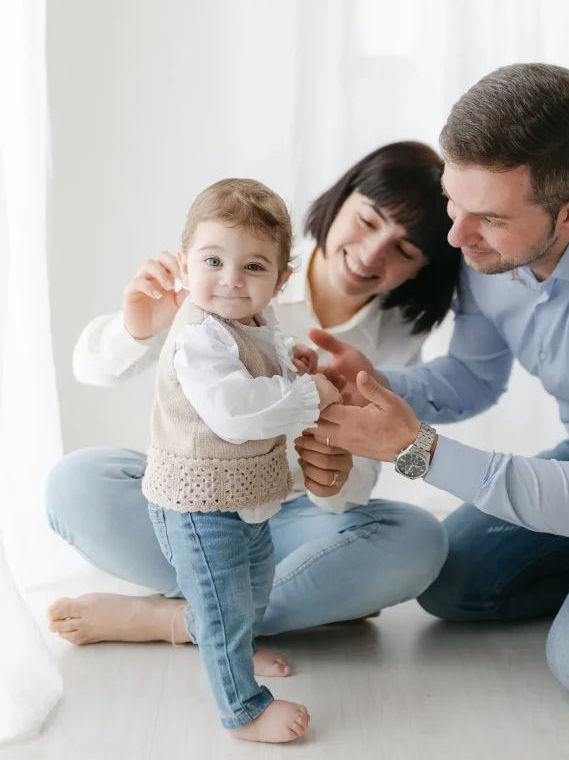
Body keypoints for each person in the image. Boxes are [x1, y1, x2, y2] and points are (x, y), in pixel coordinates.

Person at [312, 63, 569, 712]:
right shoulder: (487, 244)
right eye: (453, 202)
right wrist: (370, 382)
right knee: (448, 581)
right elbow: (472, 377)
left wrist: (415, 449)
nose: (454, 236)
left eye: (484, 217)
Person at [46, 141, 457, 647]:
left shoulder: (398, 337)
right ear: (341, 197)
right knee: (77, 481)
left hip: (289, 521)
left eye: (405, 249)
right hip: (196, 504)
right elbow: (90, 369)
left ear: (421, 269)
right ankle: (278, 603)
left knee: (418, 541)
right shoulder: (236, 259)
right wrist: (137, 328)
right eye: (369, 221)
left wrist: (337, 474)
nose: (372, 253)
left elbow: (357, 484)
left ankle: (176, 620)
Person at [140, 178, 346, 743]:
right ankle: (244, 710)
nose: (231, 280)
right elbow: (236, 412)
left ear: (280, 281)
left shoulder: (255, 321)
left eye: (254, 267)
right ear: (185, 264)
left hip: (248, 496)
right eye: (213, 260)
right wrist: (312, 395)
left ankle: (239, 649)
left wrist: (293, 365)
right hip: (199, 503)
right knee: (224, 606)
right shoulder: (198, 336)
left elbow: (261, 361)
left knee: (254, 590)